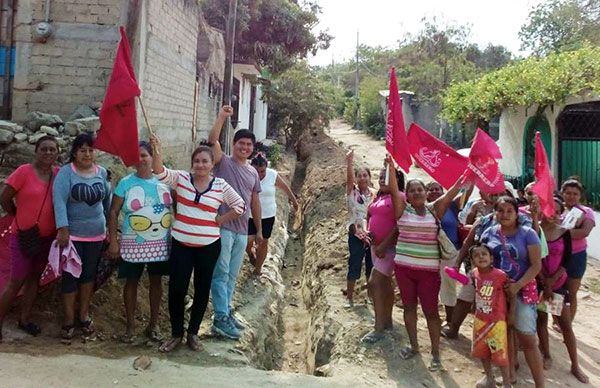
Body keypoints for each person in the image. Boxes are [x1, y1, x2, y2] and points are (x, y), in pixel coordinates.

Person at [151, 136, 245, 352]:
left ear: (212, 164)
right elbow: (160, 172)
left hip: (209, 247)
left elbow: (239, 206)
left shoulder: (220, 185)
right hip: (182, 245)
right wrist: (157, 150)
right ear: (192, 163)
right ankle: (176, 334)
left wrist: (221, 220)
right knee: (176, 289)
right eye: (197, 161)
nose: (201, 165)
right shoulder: (181, 179)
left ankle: (193, 334)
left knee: (202, 290)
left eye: (205, 161)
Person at [385, 155, 466, 371]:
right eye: (412, 191)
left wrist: (466, 173)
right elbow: (393, 190)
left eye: (420, 189)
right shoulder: (402, 211)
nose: (416, 193)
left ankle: (436, 353)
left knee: (431, 312)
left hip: (429, 273)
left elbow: (452, 192)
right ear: (408, 196)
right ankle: (414, 346)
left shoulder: (434, 210)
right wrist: (391, 168)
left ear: (425, 192)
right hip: (404, 270)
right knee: (409, 308)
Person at [108, 141, 172, 343]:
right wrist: (113, 242)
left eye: (145, 155)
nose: (141, 159)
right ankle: (130, 327)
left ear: (153, 157)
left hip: (160, 244)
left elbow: (177, 209)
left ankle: (152, 326)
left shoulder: (165, 182)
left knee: (156, 282)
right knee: (131, 282)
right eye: (137, 156)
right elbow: (113, 212)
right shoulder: (125, 183)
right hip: (131, 244)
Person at [208, 106, 262, 340]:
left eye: (249, 145)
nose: (245, 147)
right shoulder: (223, 162)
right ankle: (220, 318)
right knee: (220, 273)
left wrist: (258, 229)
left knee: (231, 275)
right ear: (234, 144)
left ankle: (226, 311)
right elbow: (212, 142)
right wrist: (221, 117)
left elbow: (255, 202)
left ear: (253, 148)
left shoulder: (251, 172)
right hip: (223, 228)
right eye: (241, 143)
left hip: (242, 231)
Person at [0, 136, 60, 341]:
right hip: (23, 237)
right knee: (15, 282)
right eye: (44, 149)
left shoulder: (58, 174)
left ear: (58, 152)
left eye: (52, 149)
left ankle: (24, 320)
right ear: (36, 151)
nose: (48, 153)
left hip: (46, 238)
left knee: (34, 278)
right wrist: (17, 215)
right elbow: (5, 197)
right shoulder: (23, 172)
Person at [481, 196, 544, 387]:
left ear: (517, 213)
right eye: (500, 210)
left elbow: (536, 266)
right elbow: (483, 261)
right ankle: (508, 378)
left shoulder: (528, 234)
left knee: (528, 339)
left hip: (522, 293)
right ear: (495, 212)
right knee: (501, 336)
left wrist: (517, 285)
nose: (505, 214)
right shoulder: (489, 233)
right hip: (496, 294)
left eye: (510, 211)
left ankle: (540, 385)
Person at [53, 133, 111, 340]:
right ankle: (68, 320)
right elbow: (59, 201)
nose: (87, 154)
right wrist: (63, 228)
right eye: (82, 150)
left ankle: (83, 315)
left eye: (90, 150)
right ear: (75, 153)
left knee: (88, 277)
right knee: (70, 277)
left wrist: (109, 231)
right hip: (73, 237)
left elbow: (107, 202)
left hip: (96, 235)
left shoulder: (101, 173)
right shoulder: (66, 173)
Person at [537, 197, 588, 383]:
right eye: (550, 211)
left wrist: (552, 282)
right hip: (540, 284)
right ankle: (547, 354)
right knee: (541, 319)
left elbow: (566, 261)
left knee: (565, 325)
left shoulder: (564, 232)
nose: (553, 215)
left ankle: (575, 365)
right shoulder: (536, 231)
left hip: (558, 285)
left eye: (557, 212)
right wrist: (544, 282)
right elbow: (535, 259)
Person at [361, 167, 404, 343]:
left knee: (375, 282)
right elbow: (367, 216)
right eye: (379, 177)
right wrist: (366, 231)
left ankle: (378, 329)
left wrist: (384, 245)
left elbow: (399, 224)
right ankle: (387, 321)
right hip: (375, 247)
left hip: (388, 249)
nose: (381, 180)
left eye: (386, 178)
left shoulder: (399, 197)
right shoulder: (378, 197)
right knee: (385, 284)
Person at [426, 181, 472, 325]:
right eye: (431, 189)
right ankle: (443, 318)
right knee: (438, 286)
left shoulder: (453, 206)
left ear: (443, 190)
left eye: (437, 189)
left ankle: (451, 319)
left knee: (448, 285)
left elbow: (467, 192)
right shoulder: (426, 209)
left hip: (453, 252)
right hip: (433, 252)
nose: (434, 191)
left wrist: (472, 176)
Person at [246, 151, 298, 276]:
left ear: (266, 168)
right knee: (248, 241)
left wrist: (294, 201)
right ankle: (249, 252)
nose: (259, 174)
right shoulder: (246, 175)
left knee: (263, 242)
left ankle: (258, 269)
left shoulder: (272, 175)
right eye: (256, 171)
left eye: (262, 171)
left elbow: (285, 188)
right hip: (250, 215)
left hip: (268, 215)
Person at [470, 243, 513, 388]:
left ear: (491, 258)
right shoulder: (474, 273)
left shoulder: (500, 276)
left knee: (499, 354)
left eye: (484, 254)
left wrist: (511, 314)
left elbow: (512, 294)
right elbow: (475, 289)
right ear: (472, 261)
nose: (480, 257)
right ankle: (489, 378)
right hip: (480, 321)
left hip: (496, 324)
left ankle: (507, 384)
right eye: (476, 255)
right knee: (482, 352)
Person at [344, 149, 376, 308]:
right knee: (354, 264)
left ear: (370, 178)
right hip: (355, 233)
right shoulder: (352, 192)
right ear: (356, 178)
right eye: (360, 175)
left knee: (371, 266)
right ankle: (349, 298)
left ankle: (370, 297)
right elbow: (348, 179)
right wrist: (349, 162)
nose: (362, 178)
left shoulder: (374, 195)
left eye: (365, 175)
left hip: (371, 235)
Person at [560, 179, 595, 322]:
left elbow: (584, 232)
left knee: (571, 292)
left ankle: (568, 323)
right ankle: (557, 321)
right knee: (557, 291)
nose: (571, 196)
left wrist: (557, 232)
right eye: (568, 193)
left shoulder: (586, 212)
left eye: (575, 194)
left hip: (576, 256)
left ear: (580, 196)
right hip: (556, 256)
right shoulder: (555, 209)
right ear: (562, 193)